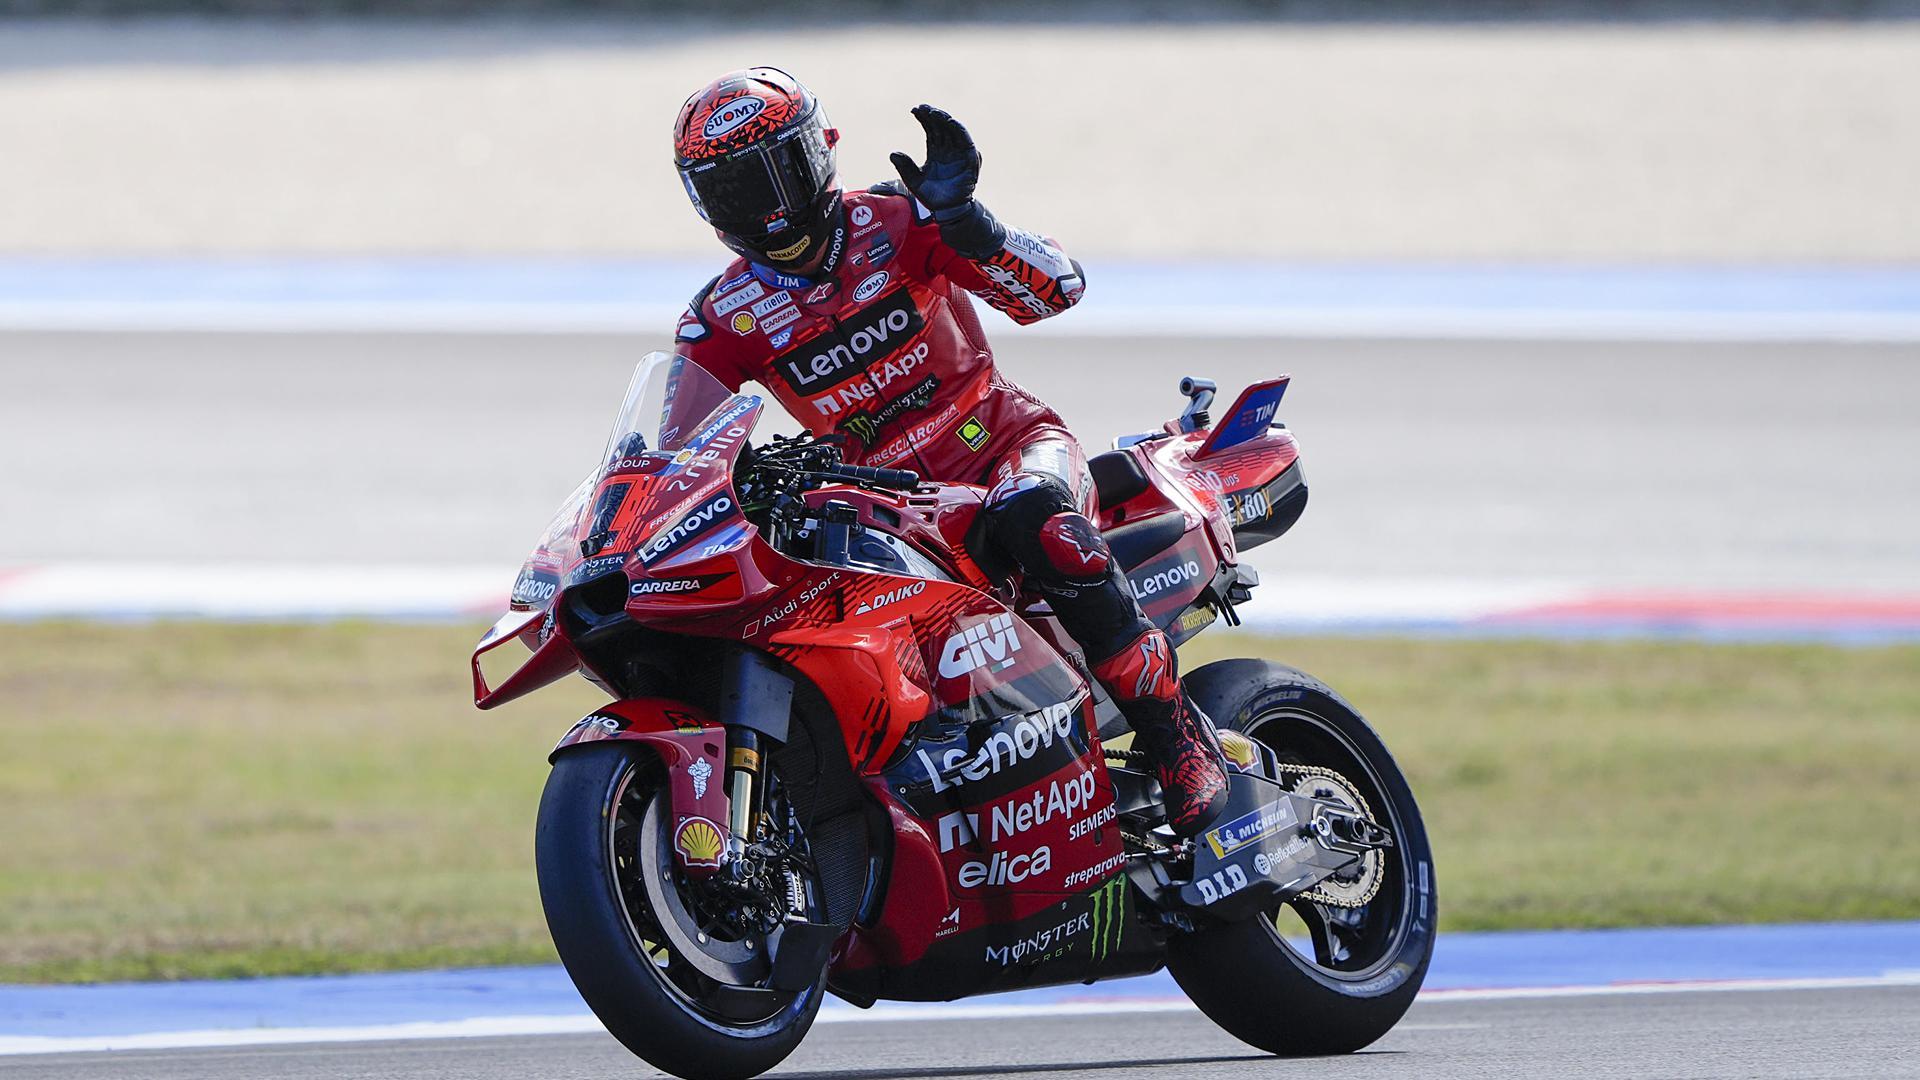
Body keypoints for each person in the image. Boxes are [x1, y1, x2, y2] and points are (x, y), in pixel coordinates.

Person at [669, 67, 1229, 836]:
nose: (765, 205)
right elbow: (677, 447)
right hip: (887, 512)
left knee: (1038, 514)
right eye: (734, 189)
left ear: (820, 150)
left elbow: (1058, 289)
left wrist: (973, 225)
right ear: (705, 205)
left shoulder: (903, 220)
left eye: (779, 170)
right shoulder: (718, 318)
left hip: (1010, 447)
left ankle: (1178, 738)